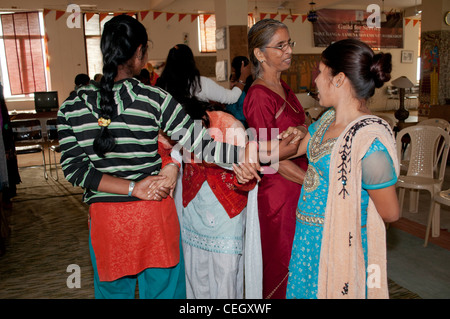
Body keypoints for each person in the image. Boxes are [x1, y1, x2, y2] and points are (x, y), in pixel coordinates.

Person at [57, 14, 259, 299]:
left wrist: (130, 188)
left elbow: (75, 171)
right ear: (139, 53)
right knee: (163, 293)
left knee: (114, 294)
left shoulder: (72, 106)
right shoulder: (155, 99)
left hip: (107, 220)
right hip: (154, 213)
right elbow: (202, 146)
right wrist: (243, 153)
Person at [272, 39, 399, 299]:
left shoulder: (368, 141)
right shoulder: (326, 121)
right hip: (309, 241)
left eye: (320, 72)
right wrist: (238, 149)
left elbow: (390, 212)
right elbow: (288, 151)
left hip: (341, 244)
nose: (316, 80)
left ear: (339, 79)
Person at [242, 19, 308, 299]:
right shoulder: (259, 95)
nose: (288, 51)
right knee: (282, 262)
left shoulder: (284, 86)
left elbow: (304, 125)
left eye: (289, 43)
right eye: (280, 46)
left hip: (298, 185)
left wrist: (303, 130)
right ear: (259, 54)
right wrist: (310, 180)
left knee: (301, 259)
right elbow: (268, 157)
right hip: (280, 190)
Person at [180, 98, 256, 298]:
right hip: (195, 211)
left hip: (226, 212)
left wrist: (244, 173)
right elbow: (165, 153)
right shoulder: (176, 127)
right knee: (197, 274)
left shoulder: (229, 125)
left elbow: (249, 172)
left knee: (226, 276)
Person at [156, 44, 251, 107]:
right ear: (190, 62)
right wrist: (243, 77)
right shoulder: (199, 83)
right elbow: (231, 97)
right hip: (196, 132)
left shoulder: (161, 85)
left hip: (169, 134)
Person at [226, 56, 253, 128]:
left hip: (240, 126)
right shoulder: (252, 84)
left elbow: (241, 114)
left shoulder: (241, 91)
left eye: (233, 71)